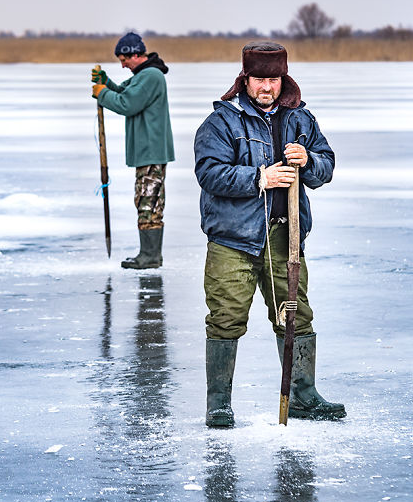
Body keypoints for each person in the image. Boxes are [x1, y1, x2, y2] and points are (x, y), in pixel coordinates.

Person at [193, 41, 346, 428]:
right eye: (259, 78)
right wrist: (258, 178)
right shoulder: (221, 123)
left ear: (283, 79)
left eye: (273, 79)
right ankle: (219, 403)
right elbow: (208, 173)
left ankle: (303, 395)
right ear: (245, 80)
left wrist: (309, 160)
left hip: (285, 237)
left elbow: (326, 166)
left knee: (295, 316)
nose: (267, 87)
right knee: (226, 318)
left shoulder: (300, 119)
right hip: (233, 241)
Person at [91, 32, 175, 269]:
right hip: (147, 152)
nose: (123, 64)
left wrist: (102, 94)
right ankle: (148, 253)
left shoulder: (150, 76)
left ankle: (150, 256)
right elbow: (124, 93)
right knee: (146, 200)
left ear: (136, 54)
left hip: (152, 151)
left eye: (124, 59)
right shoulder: (144, 75)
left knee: (149, 202)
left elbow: (127, 104)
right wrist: (106, 83)